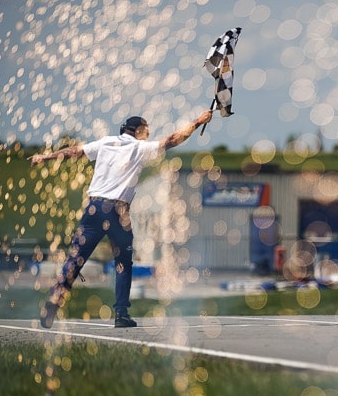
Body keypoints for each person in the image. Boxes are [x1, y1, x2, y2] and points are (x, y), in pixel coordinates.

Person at [30, 110, 213, 328]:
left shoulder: (106, 143)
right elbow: (173, 139)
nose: (149, 134)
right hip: (118, 211)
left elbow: (75, 151)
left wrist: (45, 157)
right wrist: (198, 122)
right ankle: (121, 314)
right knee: (123, 264)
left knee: (75, 259)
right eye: (147, 130)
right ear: (138, 131)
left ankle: (54, 299)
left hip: (93, 208)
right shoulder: (140, 147)